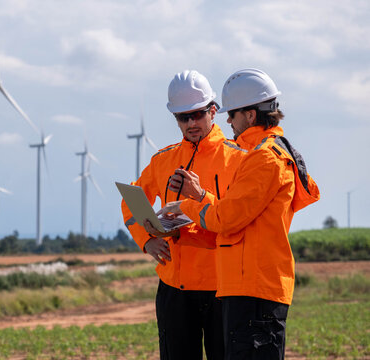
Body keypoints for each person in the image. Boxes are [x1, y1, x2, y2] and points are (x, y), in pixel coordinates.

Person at [158, 68, 320, 360]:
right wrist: (200, 198)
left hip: (254, 291)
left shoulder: (264, 158)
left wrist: (184, 206)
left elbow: (226, 219)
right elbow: (236, 218)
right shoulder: (265, 154)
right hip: (249, 288)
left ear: (250, 115)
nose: (228, 121)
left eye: (232, 114)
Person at [121, 70, 246, 359]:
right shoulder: (163, 159)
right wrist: (146, 240)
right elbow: (132, 201)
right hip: (174, 289)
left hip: (223, 286)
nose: (191, 123)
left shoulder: (239, 158)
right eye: (182, 117)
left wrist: (200, 198)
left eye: (197, 114)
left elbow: (237, 215)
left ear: (213, 111)